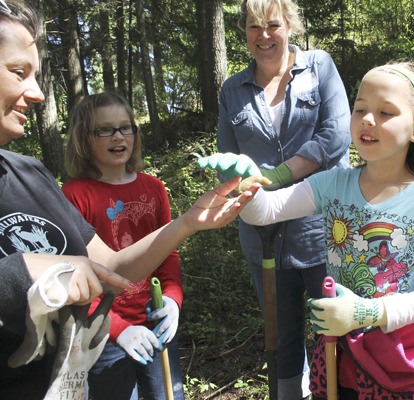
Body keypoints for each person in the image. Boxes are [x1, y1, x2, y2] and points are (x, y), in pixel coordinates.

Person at [0, 1, 257, 398]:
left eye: (126, 128)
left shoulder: (30, 177)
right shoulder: (77, 190)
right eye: (18, 72)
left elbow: (111, 268)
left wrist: (188, 222)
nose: (35, 93)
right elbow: (44, 273)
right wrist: (26, 270)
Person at [203, 62, 414, 399]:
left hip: (399, 357)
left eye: (386, 112)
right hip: (341, 351)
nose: (368, 120)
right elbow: (265, 213)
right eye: (360, 109)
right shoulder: (333, 184)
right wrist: (246, 184)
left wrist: (369, 312)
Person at [215, 0, 351, 398]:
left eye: (272, 25)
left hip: (327, 230)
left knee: (340, 328)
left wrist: (277, 175)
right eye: (254, 27)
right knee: (282, 337)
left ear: (290, 26)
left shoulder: (319, 66)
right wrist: (242, 184)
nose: (264, 36)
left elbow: (336, 135)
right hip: (263, 235)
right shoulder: (232, 90)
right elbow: (228, 163)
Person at [61, 92, 185, 400]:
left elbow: (166, 253)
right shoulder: (74, 195)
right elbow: (73, 274)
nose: (118, 137)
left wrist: (172, 299)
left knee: (168, 394)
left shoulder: (153, 188)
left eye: (125, 127)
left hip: (155, 318)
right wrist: (116, 328)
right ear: (83, 139)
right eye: (104, 130)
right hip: (103, 333)